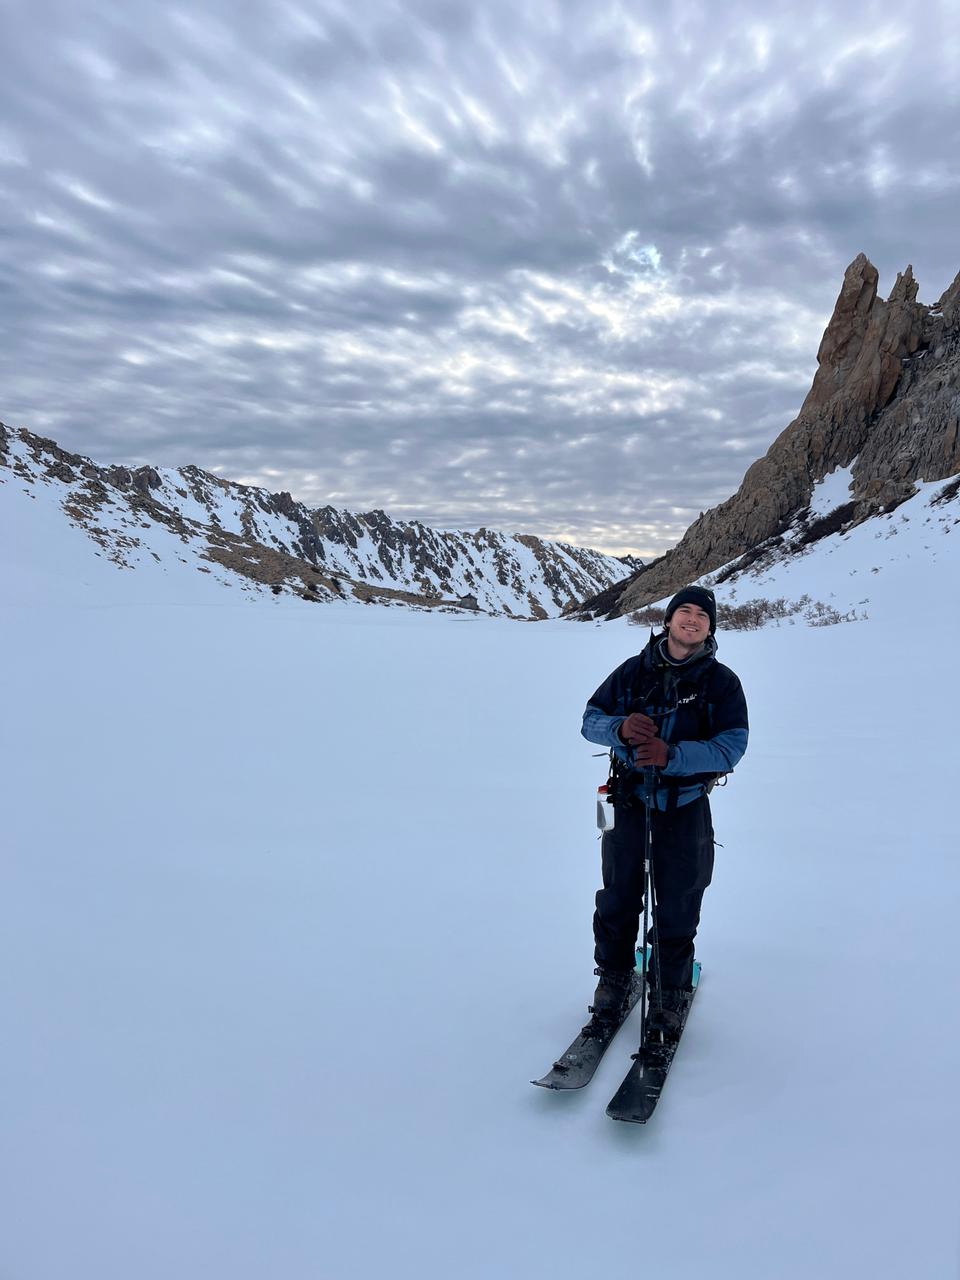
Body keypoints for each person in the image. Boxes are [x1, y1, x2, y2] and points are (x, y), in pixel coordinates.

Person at [580, 586, 748, 1033]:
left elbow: (732, 746)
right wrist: (620, 727)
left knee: (679, 901)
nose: (691, 620)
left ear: (710, 627)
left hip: (685, 807)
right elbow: (589, 720)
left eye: (701, 616)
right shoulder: (633, 672)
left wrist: (672, 756)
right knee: (617, 896)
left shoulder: (722, 683)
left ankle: (669, 990)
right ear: (670, 619)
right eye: (684, 612)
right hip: (627, 802)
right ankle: (613, 979)